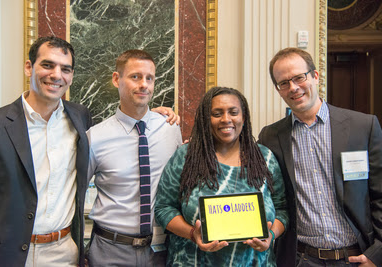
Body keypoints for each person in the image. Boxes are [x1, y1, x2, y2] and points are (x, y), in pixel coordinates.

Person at [258, 47, 382, 267]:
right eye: (284, 83)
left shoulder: (363, 126)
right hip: (302, 259)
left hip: (357, 258)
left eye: (299, 78)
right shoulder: (270, 136)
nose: (293, 88)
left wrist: (377, 254)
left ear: (315, 76)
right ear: (278, 90)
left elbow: (380, 194)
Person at [0, 36, 92, 266]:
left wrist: (154, 116)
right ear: (28, 67)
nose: (56, 75)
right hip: (8, 255)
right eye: (47, 65)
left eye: (65, 69)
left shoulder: (81, 117)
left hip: (64, 252)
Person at [155, 86, 288, 266]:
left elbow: (282, 209)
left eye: (233, 112)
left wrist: (271, 236)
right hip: (191, 260)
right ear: (205, 119)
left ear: (244, 117)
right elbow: (164, 208)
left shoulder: (265, 158)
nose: (226, 119)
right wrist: (192, 234)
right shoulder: (186, 157)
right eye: (217, 114)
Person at [86, 49, 182, 266]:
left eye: (149, 78)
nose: (144, 85)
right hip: (110, 250)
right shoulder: (95, 137)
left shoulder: (170, 128)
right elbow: (75, 194)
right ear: (116, 79)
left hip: (160, 249)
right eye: (135, 77)